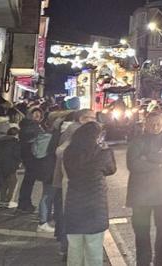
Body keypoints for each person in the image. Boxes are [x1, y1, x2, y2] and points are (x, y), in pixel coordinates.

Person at [127, 111, 162, 266]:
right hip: (140, 195)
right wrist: (158, 164)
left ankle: (160, 260)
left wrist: (147, 157)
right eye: (152, 124)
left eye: (159, 124)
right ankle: (143, 261)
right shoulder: (137, 142)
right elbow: (133, 165)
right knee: (141, 231)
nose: (155, 127)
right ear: (145, 124)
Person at [63, 121, 116, 266]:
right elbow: (111, 169)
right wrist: (106, 149)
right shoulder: (102, 153)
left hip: (74, 205)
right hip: (95, 206)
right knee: (94, 249)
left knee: (74, 247)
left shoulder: (69, 152)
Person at [54, 109, 97, 258]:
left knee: (69, 214)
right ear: (80, 119)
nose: (91, 120)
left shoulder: (76, 130)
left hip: (70, 180)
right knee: (71, 215)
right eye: (87, 117)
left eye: (93, 117)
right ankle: (67, 248)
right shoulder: (75, 132)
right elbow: (64, 154)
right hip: (71, 181)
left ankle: (67, 246)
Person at [17, 107, 46, 213]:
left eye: (39, 114)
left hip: (29, 155)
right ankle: (24, 203)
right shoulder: (30, 126)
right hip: (31, 156)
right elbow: (31, 138)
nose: (37, 116)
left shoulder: (32, 125)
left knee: (29, 180)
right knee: (29, 180)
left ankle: (24, 203)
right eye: (35, 114)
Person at [0, 126, 22, 208]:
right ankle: (10, 200)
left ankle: (2, 200)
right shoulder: (15, 142)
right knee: (13, 183)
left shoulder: (0, 142)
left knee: (4, 183)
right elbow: (17, 155)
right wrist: (20, 162)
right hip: (11, 165)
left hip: (0, 165)